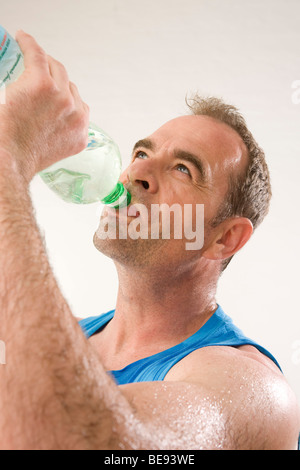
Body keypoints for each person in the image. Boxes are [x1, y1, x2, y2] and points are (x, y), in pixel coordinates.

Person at [0, 30, 298, 451]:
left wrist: (9, 160)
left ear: (225, 237)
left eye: (183, 169)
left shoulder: (252, 388)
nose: (136, 173)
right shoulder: (61, 339)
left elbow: (76, 441)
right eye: (141, 154)